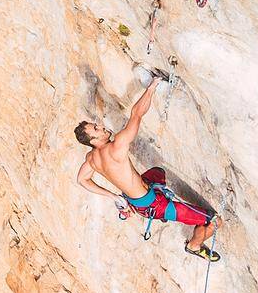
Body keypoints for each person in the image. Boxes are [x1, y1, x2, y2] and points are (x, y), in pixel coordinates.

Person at [74, 71, 222, 261]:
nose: (101, 126)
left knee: (158, 172)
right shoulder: (117, 146)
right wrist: (153, 84)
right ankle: (194, 246)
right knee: (214, 221)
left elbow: (82, 179)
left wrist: (113, 196)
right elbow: (137, 114)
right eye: (96, 129)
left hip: (138, 200)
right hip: (155, 205)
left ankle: (144, 195)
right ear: (94, 139)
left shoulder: (91, 158)